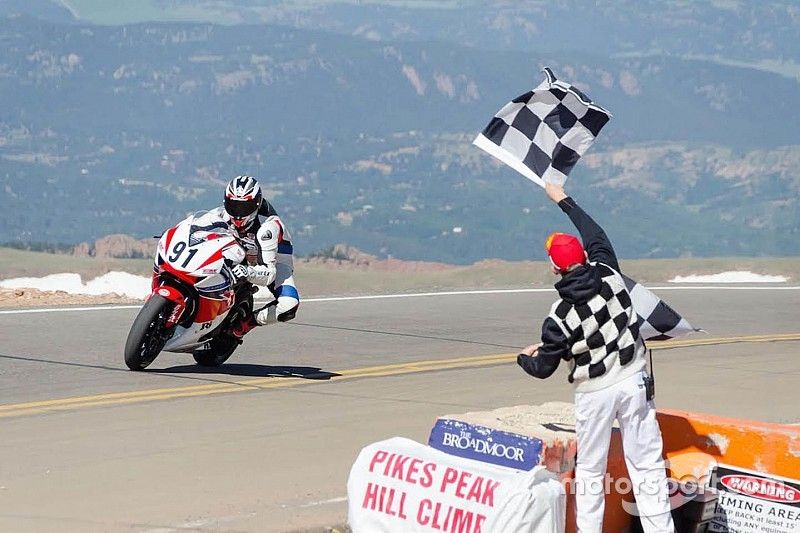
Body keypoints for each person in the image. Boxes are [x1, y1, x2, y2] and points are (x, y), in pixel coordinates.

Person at [517, 182, 674, 533]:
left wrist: (524, 358)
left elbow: (544, 368)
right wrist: (562, 198)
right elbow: (595, 232)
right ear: (584, 257)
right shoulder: (610, 272)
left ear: (556, 269)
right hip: (634, 380)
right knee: (647, 464)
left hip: (596, 393)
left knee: (590, 471)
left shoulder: (557, 317)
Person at [196, 175, 299, 338]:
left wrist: (248, 272)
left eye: (244, 208)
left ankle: (245, 325)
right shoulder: (221, 213)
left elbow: (269, 275)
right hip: (239, 249)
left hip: (272, 259)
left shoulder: (268, 228)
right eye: (233, 206)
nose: (238, 214)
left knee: (288, 306)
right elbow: (196, 226)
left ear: (256, 205)